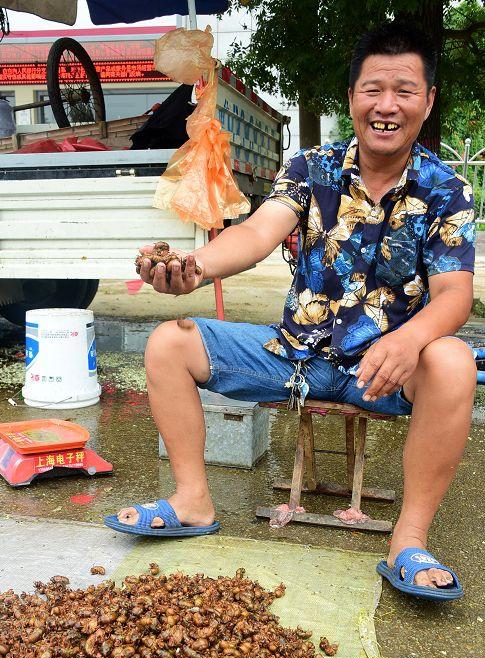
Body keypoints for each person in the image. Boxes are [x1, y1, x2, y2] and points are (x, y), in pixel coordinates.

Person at [104, 21, 476, 601]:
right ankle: (192, 501)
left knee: (452, 360)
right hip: (296, 354)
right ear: (351, 97)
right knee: (168, 342)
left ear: (427, 102)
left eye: (405, 90)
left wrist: (408, 342)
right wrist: (194, 268)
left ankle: (408, 539)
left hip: (385, 369)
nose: (386, 105)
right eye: (372, 88)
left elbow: (455, 295)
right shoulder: (311, 168)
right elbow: (256, 232)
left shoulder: (446, 189)